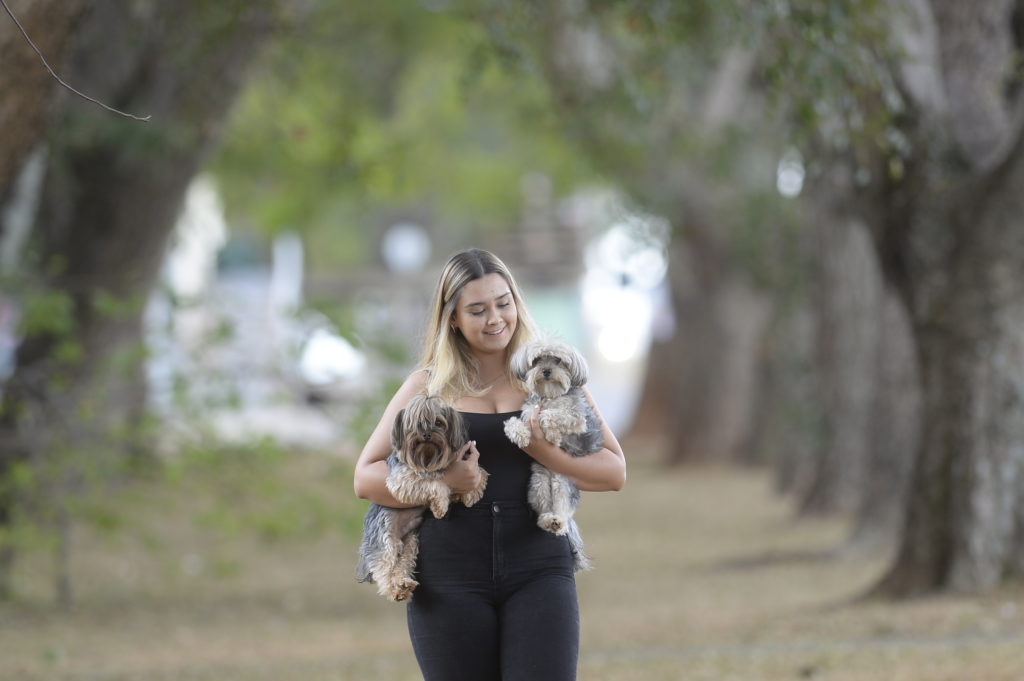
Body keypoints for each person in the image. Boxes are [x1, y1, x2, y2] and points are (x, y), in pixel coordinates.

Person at [354, 248, 626, 681]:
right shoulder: (428, 385)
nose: (495, 318)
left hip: (538, 568)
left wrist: (544, 452)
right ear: (454, 319)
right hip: (449, 574)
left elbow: (614, 472)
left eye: (504, 303)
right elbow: (366, 477)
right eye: (477, 309)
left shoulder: (550, 375)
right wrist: (444, 481)